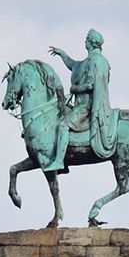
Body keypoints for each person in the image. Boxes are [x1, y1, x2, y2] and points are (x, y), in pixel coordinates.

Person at [47, 30, 113, 171]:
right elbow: (74, 65)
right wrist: (63, 55)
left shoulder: (97, 61)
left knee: (63, 125)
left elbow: (92, 86)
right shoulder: (87, 61)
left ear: (90, 43)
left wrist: (74, 89)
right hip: (80, 104)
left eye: (86, 40)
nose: (84, 42)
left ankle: (59, 162)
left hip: (87, 106)